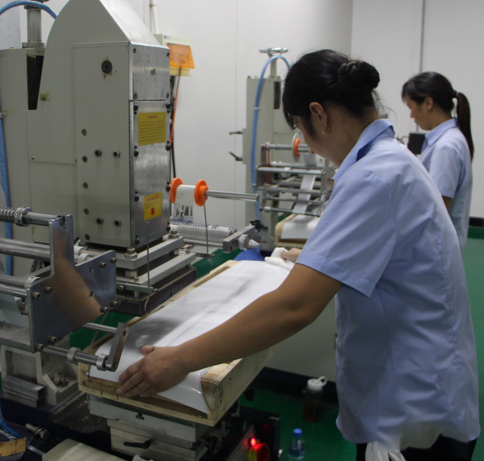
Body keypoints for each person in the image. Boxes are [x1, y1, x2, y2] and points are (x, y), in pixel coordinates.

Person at [116, 50, 479, 460]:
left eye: (302, 130)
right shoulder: (391, 159)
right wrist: (314, 258)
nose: (307, 144)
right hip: (426, 390)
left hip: (415, 415)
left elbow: (295, 308)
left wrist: (180, 359)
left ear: (319, 115)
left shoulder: (373, 177)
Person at [402, 72, 474, 252]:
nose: (411, 115)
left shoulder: (446, 146)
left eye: (411, 107)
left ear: (428, 103)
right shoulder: (447, 140)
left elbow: (436, 210)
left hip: (436, 251)